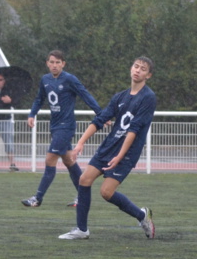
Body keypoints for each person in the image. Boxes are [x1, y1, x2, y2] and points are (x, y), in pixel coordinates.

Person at [59, 56, 157, 240]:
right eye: (136, 66)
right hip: (108, 148)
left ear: (148, 75)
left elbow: (134, 130)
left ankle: (142, 216)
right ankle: (82, 230)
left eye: (143, 69)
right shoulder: (120, 96)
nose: (137, 70)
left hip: (126, 153)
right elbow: (99, 120)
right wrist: (80, 143)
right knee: (84, 180)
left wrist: (120, 156)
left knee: (106, 192)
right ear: (130, 68)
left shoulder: (148, 98)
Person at [21, 50, 102, 208]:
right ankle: (82, 196)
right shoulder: (45, 79)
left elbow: (85, 95)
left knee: (50, 158)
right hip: (55, 126)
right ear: (47, 63)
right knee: (69, 161)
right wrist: (32, 114)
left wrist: (101, 113)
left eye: (58, 62)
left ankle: (37, 198)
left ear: (63, 64)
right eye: (52, 62)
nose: (54, 65)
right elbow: (39, 98)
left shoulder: (70, 79)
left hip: (66, 127)